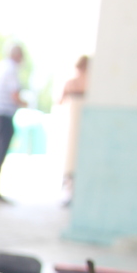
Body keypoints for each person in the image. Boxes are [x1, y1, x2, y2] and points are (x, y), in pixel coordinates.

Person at [0, 43, 26, 202]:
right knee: (0, 152)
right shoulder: (11, 69)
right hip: (4, 115)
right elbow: (14, 94)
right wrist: (25, 103)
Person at [59, 54, 88, 194]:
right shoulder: (90, 84)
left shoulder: (71, 83)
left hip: (73, 122)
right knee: (76, 152)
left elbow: (60, 101)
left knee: (71, 153)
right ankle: (71, 186)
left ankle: (69, 186)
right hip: (80, 122)